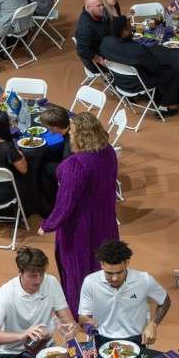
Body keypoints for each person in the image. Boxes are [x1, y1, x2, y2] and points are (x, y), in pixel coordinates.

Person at [41, 112, 120, 311]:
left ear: (79, 136)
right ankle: (106, 303)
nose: (69, 136)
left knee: (78, 268)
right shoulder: (109, 152)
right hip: (106, 219)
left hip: (80, 227)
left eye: (72, 133)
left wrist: (48, 224)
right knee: (104, 264)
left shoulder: (75, 165)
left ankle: (81, 310)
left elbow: (65, 203)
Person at [0, 247, 76, 358]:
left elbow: (68, 321)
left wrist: (69, 329)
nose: (39, 280)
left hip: (45, 348)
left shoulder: (52, 283)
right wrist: (22, 335)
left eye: (42, 274)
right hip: (12, 353)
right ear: (20, 272)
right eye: (32, 276)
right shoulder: (5, 293)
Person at [76, 239, 171, 347]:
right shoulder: (90, 282)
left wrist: (153, 324)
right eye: (109, 273)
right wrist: (87, 322)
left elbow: (165, 301)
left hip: (136, 339)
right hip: (100, 338)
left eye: (119, 272)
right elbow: (83, 317)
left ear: (126, 263)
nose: (115, 278)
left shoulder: (145, 280)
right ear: (102, 264)